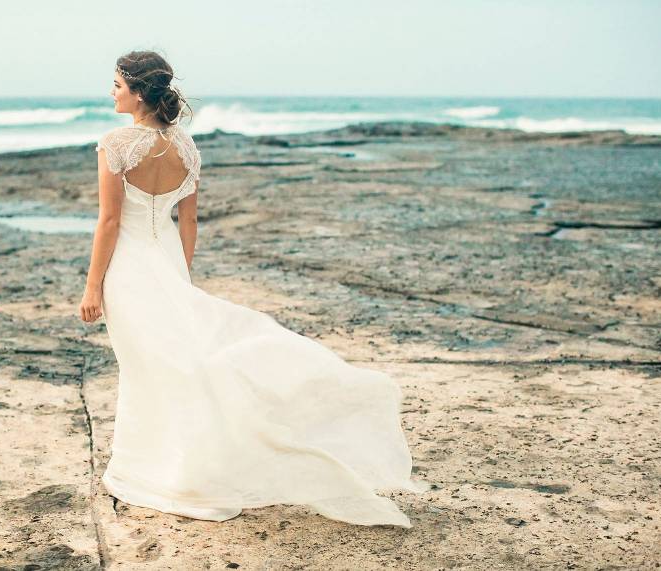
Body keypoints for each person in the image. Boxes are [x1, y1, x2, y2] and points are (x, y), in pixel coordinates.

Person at [79, 50, 430, 528]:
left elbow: (110, 220)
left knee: (147, 368)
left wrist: (92, 285)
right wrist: (179, 275)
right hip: (166, 266)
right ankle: (171, 463)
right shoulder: (186, 147)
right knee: (174, 365)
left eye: (117, 84)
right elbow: (190, 220)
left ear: (139, 92)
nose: (111, 91)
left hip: (128, 271)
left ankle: (158, 470)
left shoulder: (115, 143)